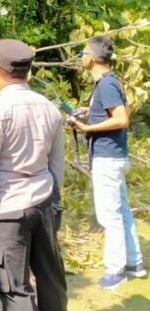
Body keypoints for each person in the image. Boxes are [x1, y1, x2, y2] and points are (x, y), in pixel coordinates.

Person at [0, 39, 67, 311]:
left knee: (14, 289)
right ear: (28, 72)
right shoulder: (49, 107)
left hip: (9, 211)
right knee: (51, 280)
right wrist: (52, 201)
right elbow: (57, 164)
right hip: (44, 203)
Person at [70, 37, 146, 289]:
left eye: (82, 52)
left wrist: (87, 127)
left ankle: (116, 271)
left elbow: (122, 119)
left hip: (108, 158)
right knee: (122, 211)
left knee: (109, 216)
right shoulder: (107, 84)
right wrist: (87, 113)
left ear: (90, 57)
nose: (81, 57)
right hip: (113, 157)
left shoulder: (106, 85)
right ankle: (134, 263)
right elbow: (110, 113)